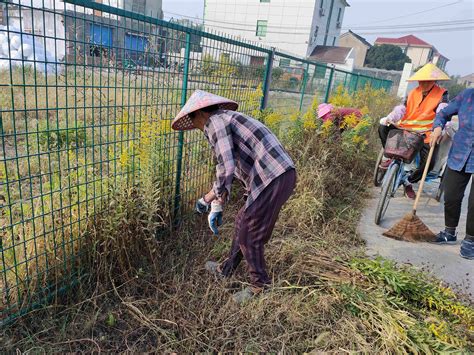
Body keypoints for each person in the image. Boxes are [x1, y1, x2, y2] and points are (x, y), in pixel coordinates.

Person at [171, 90, 297, 303]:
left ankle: (261, 287)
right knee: (242, 223)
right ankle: (226, 269)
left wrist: (208, 198)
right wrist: (216, 202)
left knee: (250, 233)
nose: (198, 127)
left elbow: (225, 166)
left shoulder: (215, 122)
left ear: (200, 114)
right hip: (275, 176)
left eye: (194, 121)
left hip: (272, 176)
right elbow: (235, 167)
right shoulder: (226, 120)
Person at [378, 63, 450, 199]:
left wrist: (440, 128)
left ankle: (408, 181)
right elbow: (401, 109)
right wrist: (390, 117)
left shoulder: (442, 94)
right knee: (382, 127)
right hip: (405, 129)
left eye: (428, 81)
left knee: (430, 163)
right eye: (422, 80)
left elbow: (443, 111)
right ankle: (388, 157)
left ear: (434, 81)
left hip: (427, 135)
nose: (424, 83)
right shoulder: (412, 92)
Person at [430, 88, 473, 260]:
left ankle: (471, 239)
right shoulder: (467, 95)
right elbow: (443, 113)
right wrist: (437, 128)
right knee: (452, 196)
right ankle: (450, 231)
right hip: (460, 153)